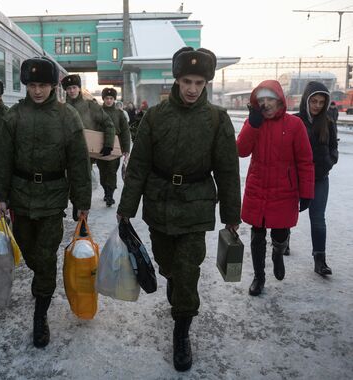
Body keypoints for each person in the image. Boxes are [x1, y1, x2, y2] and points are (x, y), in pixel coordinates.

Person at [117, 47, 241, 372]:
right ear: (177, 79)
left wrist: (231, 216)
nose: (192, 88)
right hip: (159, 203)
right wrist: (126, 208)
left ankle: (182, 331)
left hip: (197, 204)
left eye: (199, 82)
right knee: (166, 262)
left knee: (188, 271)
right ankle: (170, 276)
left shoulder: (217, 119)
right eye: (187, 80)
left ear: (206, 84)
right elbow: (140, 165)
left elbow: (227, 170)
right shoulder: (156, 117)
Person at [0, 57, 91, 348]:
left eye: (43, 85)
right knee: (28, 250)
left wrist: (81, 200)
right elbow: (3, 160)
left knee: (46, 257)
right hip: (21, 198)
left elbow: (78, 163)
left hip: (52, 198)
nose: (37, 91)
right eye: (33, 85)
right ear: (26, 86)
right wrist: (0, 195)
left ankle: (40, 314)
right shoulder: (13, 117)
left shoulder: (67, 117)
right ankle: (42, 281)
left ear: (52, 86)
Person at [237, 80, 314, 297]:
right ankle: (259, 277)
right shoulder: (253, 122)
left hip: (284, 192)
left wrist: (307, 192)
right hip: (258, 189)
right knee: (257, 235)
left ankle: (278, 253)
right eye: (261, 100)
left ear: (279, 100)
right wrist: (252, 125)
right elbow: (241, 151)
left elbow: (305, 161)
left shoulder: (295, 125)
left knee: (280, 233)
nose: (265, 104)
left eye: (269, 99)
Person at [294, 81, 339, 276]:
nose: (318, 105)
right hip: (296, 178)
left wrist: (329, 161)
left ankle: (320, 260)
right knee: (289, 214)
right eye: (314, 101)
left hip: (320, 178)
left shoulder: (328, 121)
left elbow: (333, 147)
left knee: (318, 219)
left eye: (322, 102)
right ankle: (282, 241)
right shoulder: (295, 121)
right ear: (306, 100)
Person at [61, 74, 114, 212]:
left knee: (83, 185)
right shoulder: (61, 108)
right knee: (65, 183)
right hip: (64, 152)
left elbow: (108, 123)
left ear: (79, 88)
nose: (72, 91)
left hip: (85, 153)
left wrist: (108, 144)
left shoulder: (90, 106)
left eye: (74, 87)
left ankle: (81, 215)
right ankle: (67, 207)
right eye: (69, 88)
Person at [98, 88, 131, 206]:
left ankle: (110, 195)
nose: (108, 100)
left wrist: (126, 149)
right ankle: (106, 189)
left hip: (115, 147)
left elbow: (126, 132)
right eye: (106, 98)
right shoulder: (98, 112)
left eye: (111, 98)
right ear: (103, 99)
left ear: (114, 99)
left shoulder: (119, 114)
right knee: (102, 171)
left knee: (112, 171)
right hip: (99, 146)